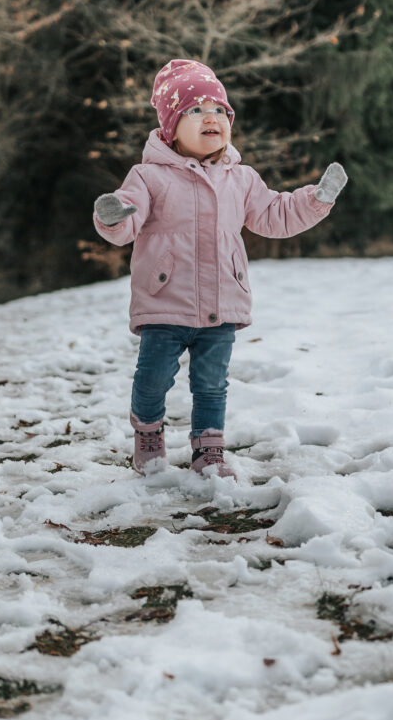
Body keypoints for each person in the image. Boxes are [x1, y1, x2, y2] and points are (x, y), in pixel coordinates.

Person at [93, 58, 347, 479]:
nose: (211, 117)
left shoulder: (241, 178)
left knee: (211, 385)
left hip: (221, 303)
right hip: (165, 303)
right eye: (195, 110)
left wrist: (316, 199)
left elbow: (275, 214)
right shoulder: (148, 176)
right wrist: (114, 217)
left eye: (219, 111)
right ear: (171, 126)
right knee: (153, 379)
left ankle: (208, 452)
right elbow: (128, 219)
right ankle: (149, 435)